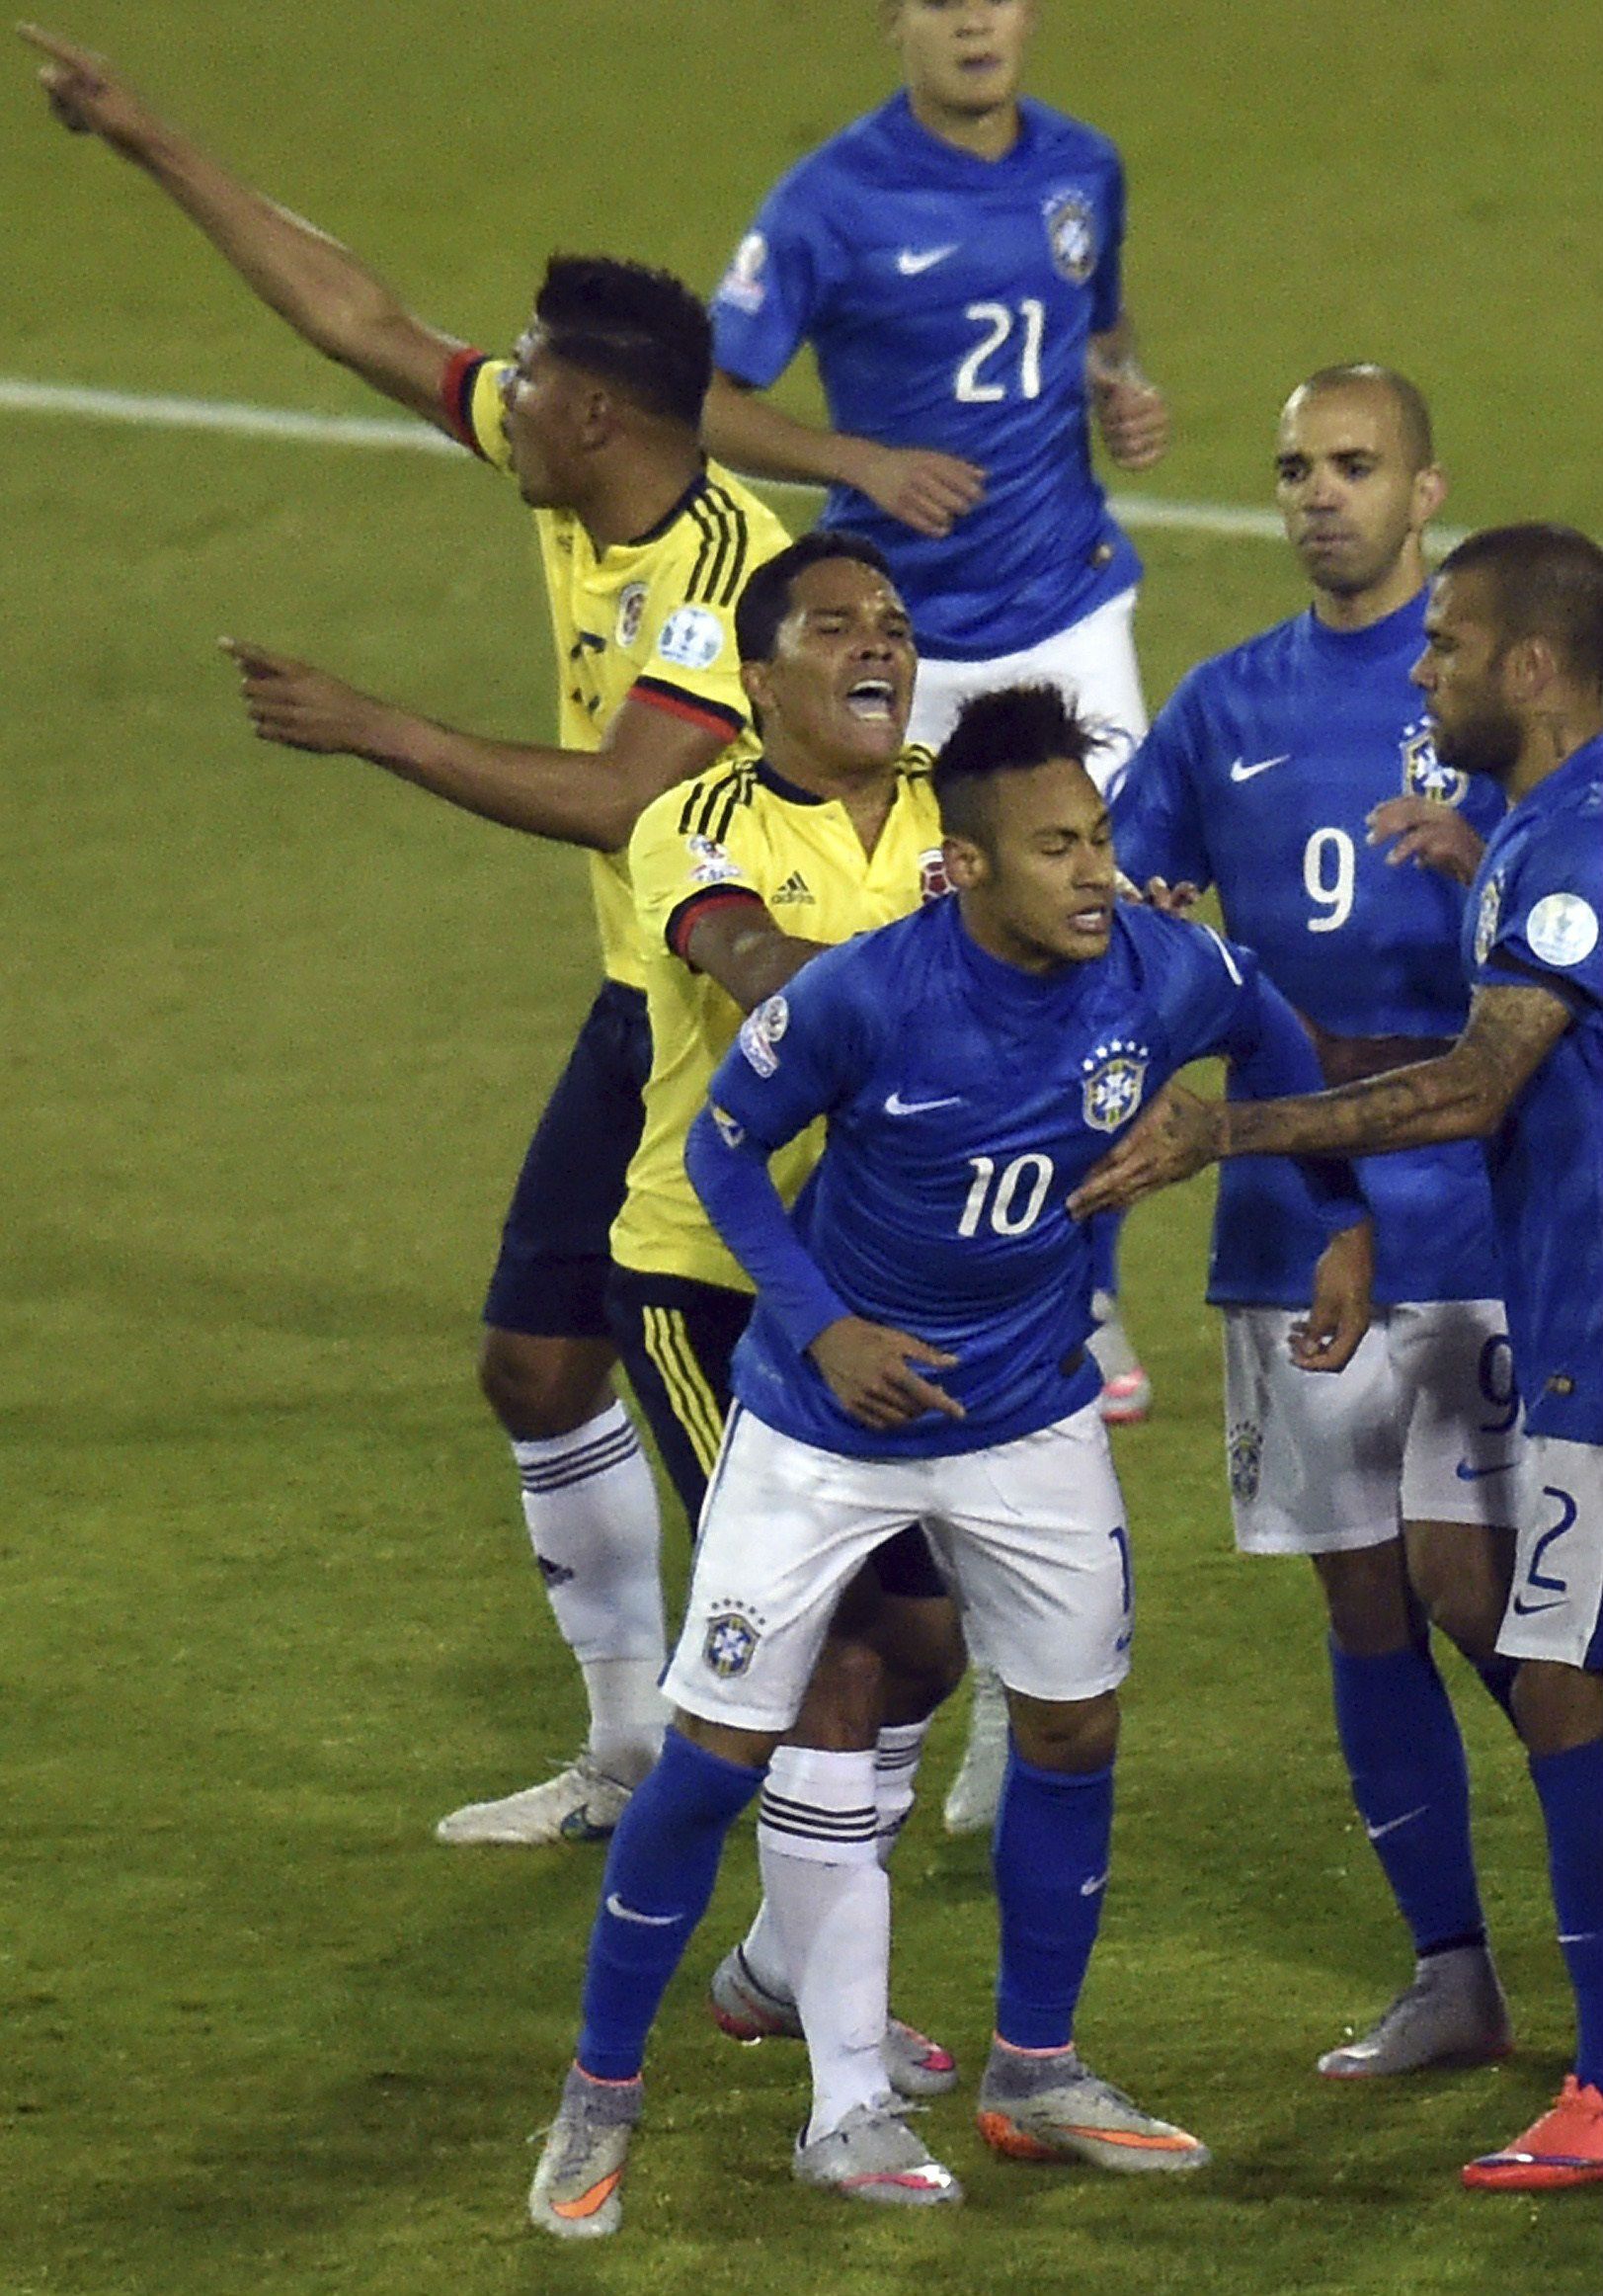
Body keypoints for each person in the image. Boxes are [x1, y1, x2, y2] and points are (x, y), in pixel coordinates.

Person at [20, 25, 791, 1844]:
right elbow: (364, 322)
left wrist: (378, 727)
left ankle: (888, 1722)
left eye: (526, 377)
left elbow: (624, 797)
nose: (499, 392)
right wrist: (152, 141)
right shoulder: (583, 473)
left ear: (595, 415)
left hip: (749, 1030)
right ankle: (626, 1750)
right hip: (638, 999)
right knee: (538, 1363)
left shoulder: (723, 574)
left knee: (774, 1424)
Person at [526, 684, 1375, 2236]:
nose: (1096, 873)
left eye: (1102, 839)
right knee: (716, 1752)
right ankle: (599, 2094)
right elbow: (724, 1146)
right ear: (968, 865)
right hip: (824, 1428)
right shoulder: (866, 996)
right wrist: (825, 1325)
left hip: (1027, 1418)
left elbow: (1272, 1033)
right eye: (1057, 849)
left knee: (1071, 1726)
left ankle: (1035, 2072)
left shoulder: (1153, 967)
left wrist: (1335, 1213)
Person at [1075, 522, 1603, 2191]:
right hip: (1572, 1313)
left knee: (1565, 1671)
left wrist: (1237, 1128)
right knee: (1565, 1668)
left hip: (1592, 1323)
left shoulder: (1573, 844)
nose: (1423, 671)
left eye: (1448, 647)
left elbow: (1469, 1087)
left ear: (1531, 665)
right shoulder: (1530, 830)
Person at [701, 0, 1167, 1829]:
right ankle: (959, 1349)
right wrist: (860, 461)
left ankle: (1083, 1306)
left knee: (1095, 960)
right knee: (945, 1034)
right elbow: (709, 400)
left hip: (1069, 618)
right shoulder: (826, 201)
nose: (977, 18)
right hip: (919, 655)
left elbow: (1098, 320)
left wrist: (1120, 393)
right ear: (904, 18)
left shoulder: (1080, 167)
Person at [1108, 365, 1521, 2078]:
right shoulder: (1219, 708)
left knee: (1491, 1593)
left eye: (1354, 467)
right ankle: (1452, 1974)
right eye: (1293, 468)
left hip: (1478, 1198)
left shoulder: (1492, 694)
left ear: (1426, 491)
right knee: (1362, 1597)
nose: (1317, 496)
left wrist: (1479, 849)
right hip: (1283, 1211)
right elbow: (1124, 884)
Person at [610, 525, 968, 2129]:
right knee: (828, 1657)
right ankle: (848, 2079)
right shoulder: (697, 818)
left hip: (883, 1295)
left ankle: (776, 1961)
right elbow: (754, 968)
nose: (876, 644)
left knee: (932, 1650)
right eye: (835, 627)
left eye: (891, 621)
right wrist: (968, 981)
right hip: (714, 1289)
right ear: (760, 683)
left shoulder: (960, 800)